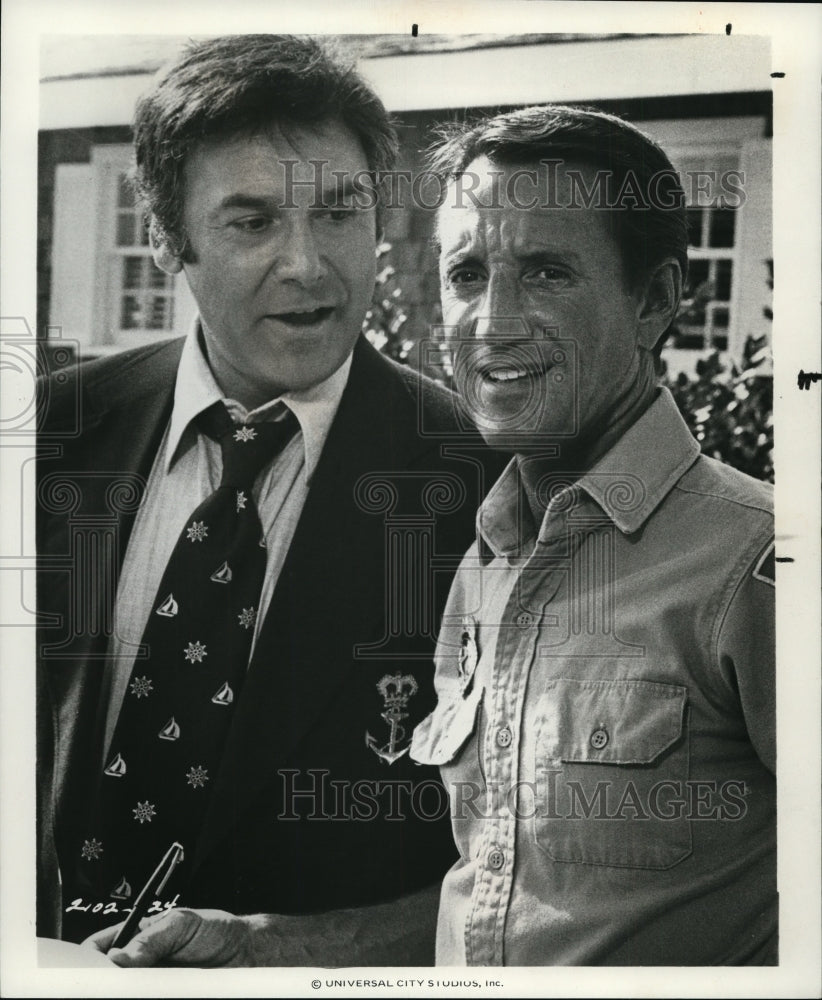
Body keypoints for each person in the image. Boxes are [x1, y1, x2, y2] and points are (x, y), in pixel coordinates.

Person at [36, 35, 498, 967]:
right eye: (250, 221)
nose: (307, 264)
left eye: (339, 212)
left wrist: (276, 951)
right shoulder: (52, 430)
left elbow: (516, 873)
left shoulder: (480, 484)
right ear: (168, 237)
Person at [410, 105, 776, 965]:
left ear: (655, 299)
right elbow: (493, 893)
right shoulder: (489, 555)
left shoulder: (759, 560)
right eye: (466, 275)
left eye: (545, 273)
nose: (493, 324)